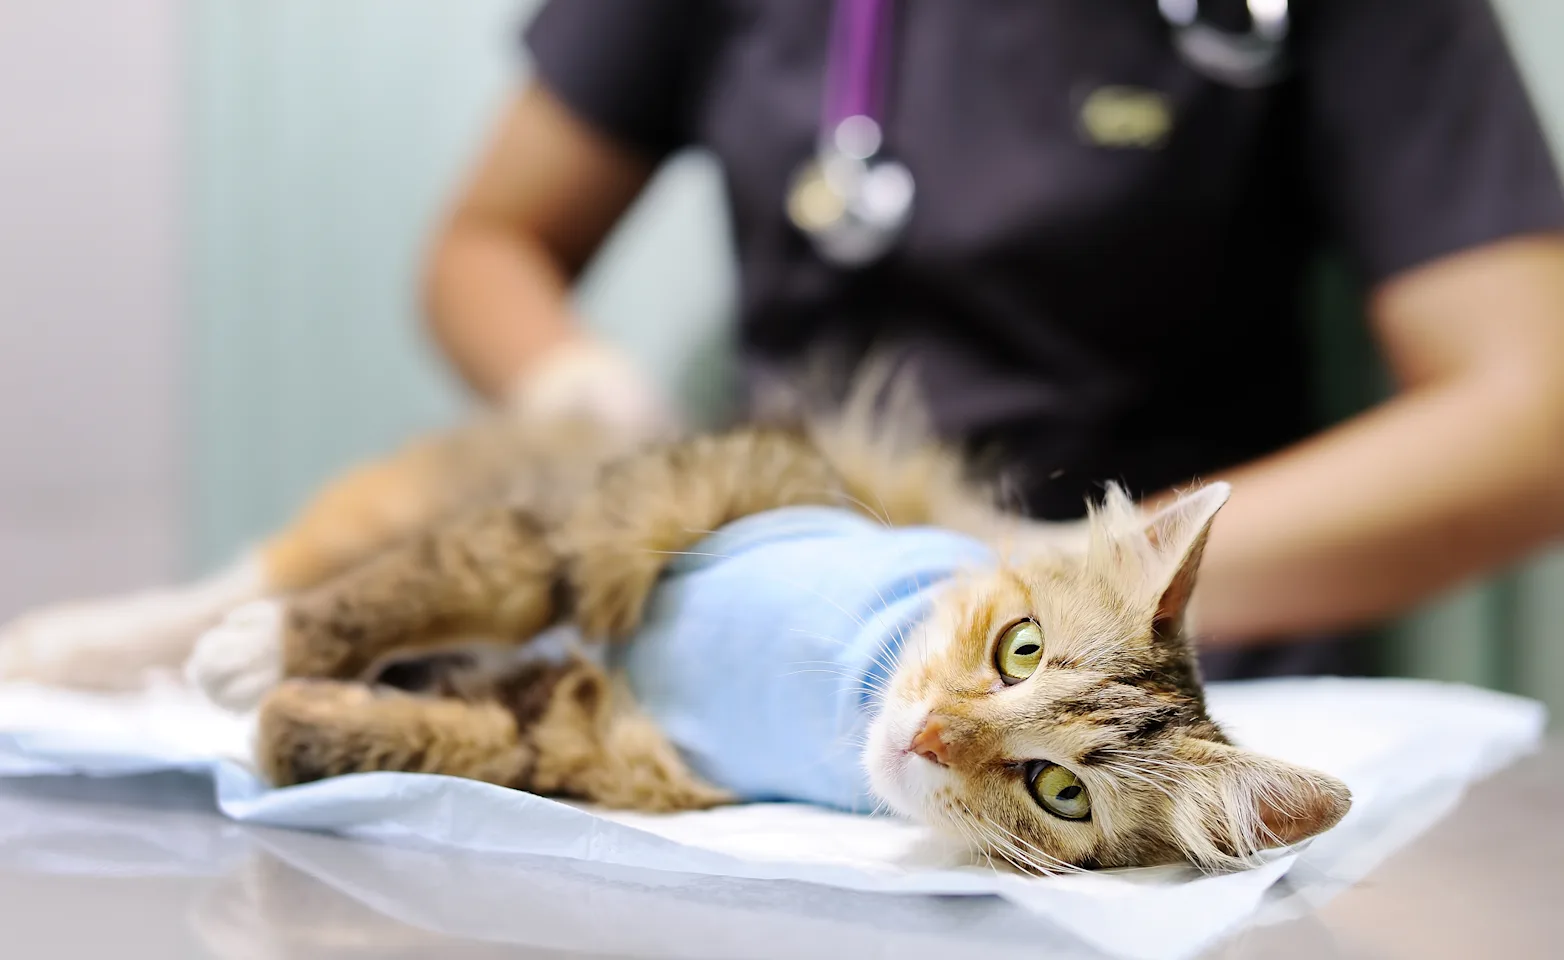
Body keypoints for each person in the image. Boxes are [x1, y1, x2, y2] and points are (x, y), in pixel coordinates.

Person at [421, 0, 1564, 681]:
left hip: (1175, 666)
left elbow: (1534, 416)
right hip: (795, 613)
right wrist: (588, 397)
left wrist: (1073, 580)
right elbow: (485, 243)